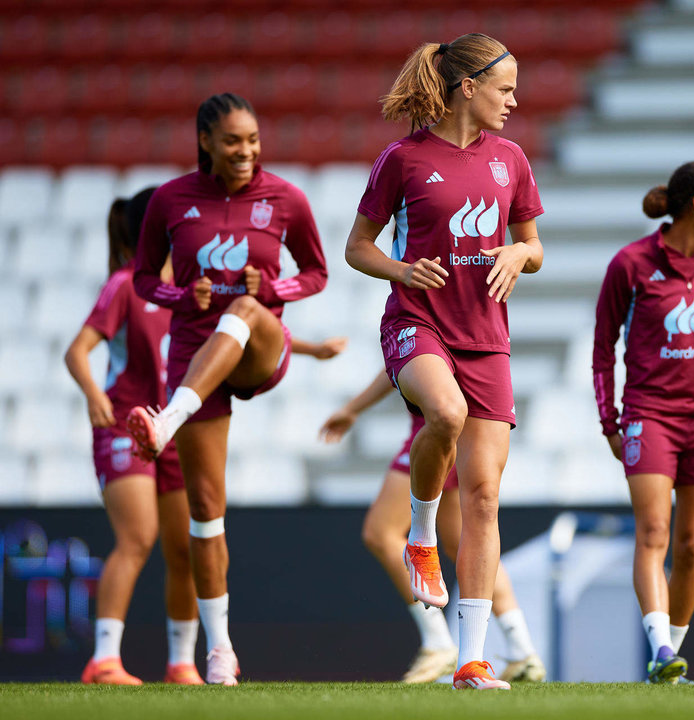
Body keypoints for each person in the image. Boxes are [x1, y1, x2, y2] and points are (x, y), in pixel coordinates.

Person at [344, 34, 543, 690]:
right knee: (446, 412)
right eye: (504, 88)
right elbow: (357, 247)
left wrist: (519, 255)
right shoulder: (402, 159)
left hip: (487, 337)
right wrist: (404, 270)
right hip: (417, 322)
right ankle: (422, 538)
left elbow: (532, 245)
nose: (513, 101)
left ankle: (470, 661)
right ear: (468, 87)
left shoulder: (511, 159)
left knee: (484, 499)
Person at [126, 93, 328, 685]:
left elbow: (315, 273)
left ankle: (166, 420)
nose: (247, 152)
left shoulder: (286, 198)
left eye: (253, 140)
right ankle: (219, 653)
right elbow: (144, 279)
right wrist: (183, 297)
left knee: (242, 304)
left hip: (259, 346)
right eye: (234, 141)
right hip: (195, 354)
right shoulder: (170, 200)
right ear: (206, 142)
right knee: (205, 514)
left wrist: (272, 290)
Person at [592, 162, 694, 684]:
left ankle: (670, 660)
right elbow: (602, 349)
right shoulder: (631, 263)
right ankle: (661, 649)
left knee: (692, 546)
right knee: (655, 532)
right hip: (649, 415)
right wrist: (609, 420)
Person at [319, 371, 546, 684]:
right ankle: (522, 648)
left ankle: (438, 640)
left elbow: (405, 356)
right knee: (459, 540)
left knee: (381, 531)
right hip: (464, 424)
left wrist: (352, 408)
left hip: (436, 430)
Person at [65, 188, 202, 685]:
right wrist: (91, 394)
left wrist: (311, 351)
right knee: (137, 537)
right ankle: (103, 661)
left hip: (172, 429)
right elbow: (77, 351)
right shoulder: (126, 285)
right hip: (124, 426)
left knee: (185, 547)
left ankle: (182, 663)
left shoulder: (190, 291)